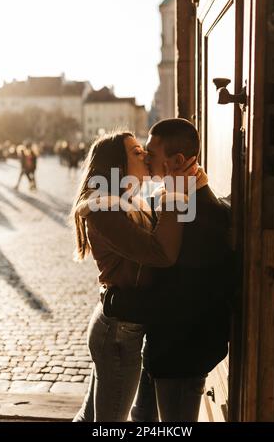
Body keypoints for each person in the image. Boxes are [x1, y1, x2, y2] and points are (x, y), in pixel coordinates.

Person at [101, 118, 234, 422]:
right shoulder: (182, 198)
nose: (146, 159)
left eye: (151, 153)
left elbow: (179, 299)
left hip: (181, 355)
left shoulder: (197, 214)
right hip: (165, 348)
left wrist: (117, 303)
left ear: (176, 161)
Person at [71, 130, 193, 422]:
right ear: (118, 165)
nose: (146, 156)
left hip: (119, 325)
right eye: (137, 152)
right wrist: (176, 191)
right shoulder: (105, 209)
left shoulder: (131, 199)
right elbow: (161, 254)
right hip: (117, 332)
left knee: (91, 417)